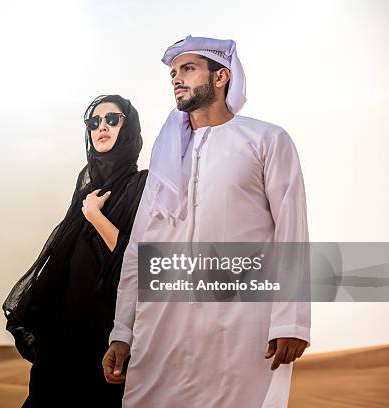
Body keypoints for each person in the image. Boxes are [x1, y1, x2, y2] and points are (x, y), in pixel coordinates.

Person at [102, 36, 311, 407]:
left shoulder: (266, 140)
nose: (177, 79)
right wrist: (122, 331)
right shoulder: (166, 154)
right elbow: (139, 248)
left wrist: (290, 322)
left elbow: (291, 233)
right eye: (173, 73)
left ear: (221, 77)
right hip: (163, 323)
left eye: (188, 69)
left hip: (242, 321)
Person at [2, 95, 148, 407]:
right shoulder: (85, 191)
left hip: (107, 336)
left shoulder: (143, 186)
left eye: (112, 119)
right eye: (94, 122)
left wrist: (95, 216)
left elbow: (136, 261)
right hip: (64, 333)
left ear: (129, 127)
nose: (102, 127)